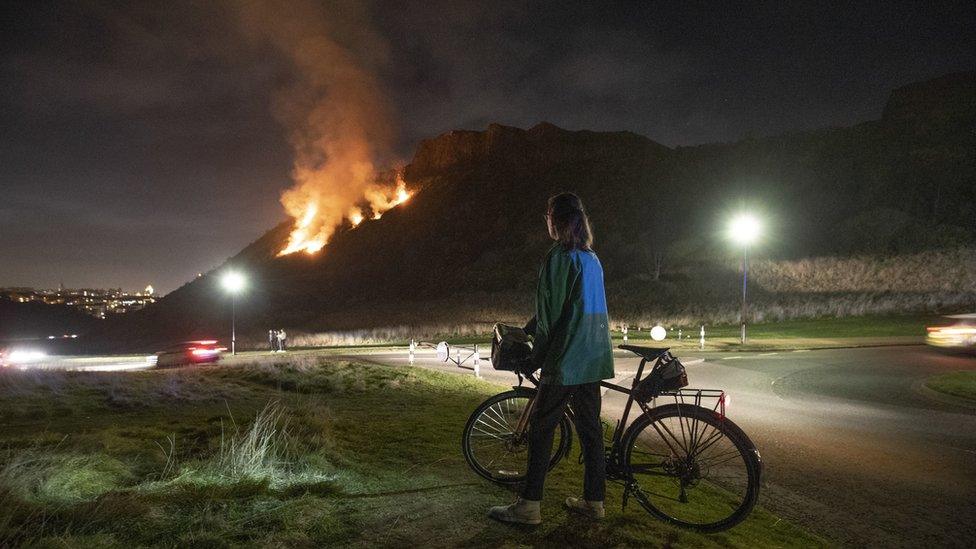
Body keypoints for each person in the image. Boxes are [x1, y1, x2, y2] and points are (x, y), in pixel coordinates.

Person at [489, 192, 615, 525]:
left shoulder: (558, 257)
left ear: (553, 220)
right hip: (594, 356)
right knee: (591, 431)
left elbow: (552, 316)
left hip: (567, 357)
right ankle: (594, 502)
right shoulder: (591, 258)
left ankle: (529, 505)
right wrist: (528, 328)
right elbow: (568, 304)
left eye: (546, 217)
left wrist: (535, 357)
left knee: (542, 427)